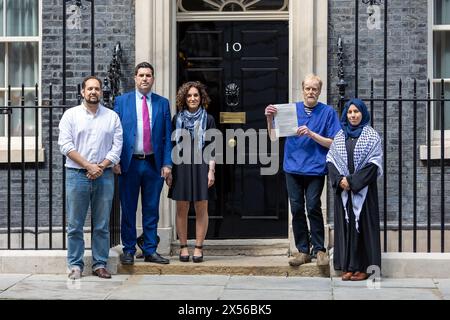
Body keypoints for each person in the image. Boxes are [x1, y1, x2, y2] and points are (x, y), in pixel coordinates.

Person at [265, 74, 341, 267]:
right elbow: (273, 136)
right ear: (302, 89)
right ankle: (303, 250)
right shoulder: (291, 110)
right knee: (297, 208)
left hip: (315, 168)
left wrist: (312, 133)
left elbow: (334, 142)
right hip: (293, 167)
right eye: (308, 88)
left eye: (314, 89)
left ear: (319, 91)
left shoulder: (328, 112)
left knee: (313, 206)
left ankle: (320, 250)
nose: (310, 92)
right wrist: (269, 118)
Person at [58, 76, 123, 280]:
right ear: (82, 92)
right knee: (75, 224)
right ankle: (75, 266)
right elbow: (65, 145)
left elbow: (117, 146)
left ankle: (100, 264)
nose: (93, 92)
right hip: (76, 175)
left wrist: (100, 166)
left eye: (97, 89)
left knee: (102, 224)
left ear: (101, 92)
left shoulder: (112, 117)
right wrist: (88, 165)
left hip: (104, 176)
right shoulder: (70, 115)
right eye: (89, 89)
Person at [114, 62, 172, 265]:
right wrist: (115, 160)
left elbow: (166, 136)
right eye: (141, 75)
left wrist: (167, 163)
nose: (145, 78)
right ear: (135, 78)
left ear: (153, 79)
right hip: (129, 164)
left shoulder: (162, 103)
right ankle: (128, 250)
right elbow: (115, 134)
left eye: (148, 75)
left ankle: (149, 250)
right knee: (128, 209)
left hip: (153, 164)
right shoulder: (122, 101)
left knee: (151, 209)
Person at [326, 98, 383, 281]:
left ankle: (365, 268)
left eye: (356, 112)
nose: (353, 115)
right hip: (344, 192)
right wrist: (340, 180)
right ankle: (348, 266)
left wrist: (352, 181)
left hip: (363, 191)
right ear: (346, 115)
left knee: (363, 229)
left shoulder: (372, 136)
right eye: (350, 112)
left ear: (362, 113)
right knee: (347, 229)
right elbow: (331, 161)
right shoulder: (340, 135)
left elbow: (373, 165)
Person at [168, 81, 216, 263]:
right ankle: (183, 247)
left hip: (202, 165)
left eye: (196, 95)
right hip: (181, 165)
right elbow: (171, 145)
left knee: (201, 207)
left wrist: (211, 171)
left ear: (201, 97)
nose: (193, 98)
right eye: (189, 95)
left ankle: (198, 247)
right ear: (184, 98)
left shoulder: (208, 119)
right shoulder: (176, 119)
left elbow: (213, 147)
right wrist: (170, 170)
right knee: (182, 208)